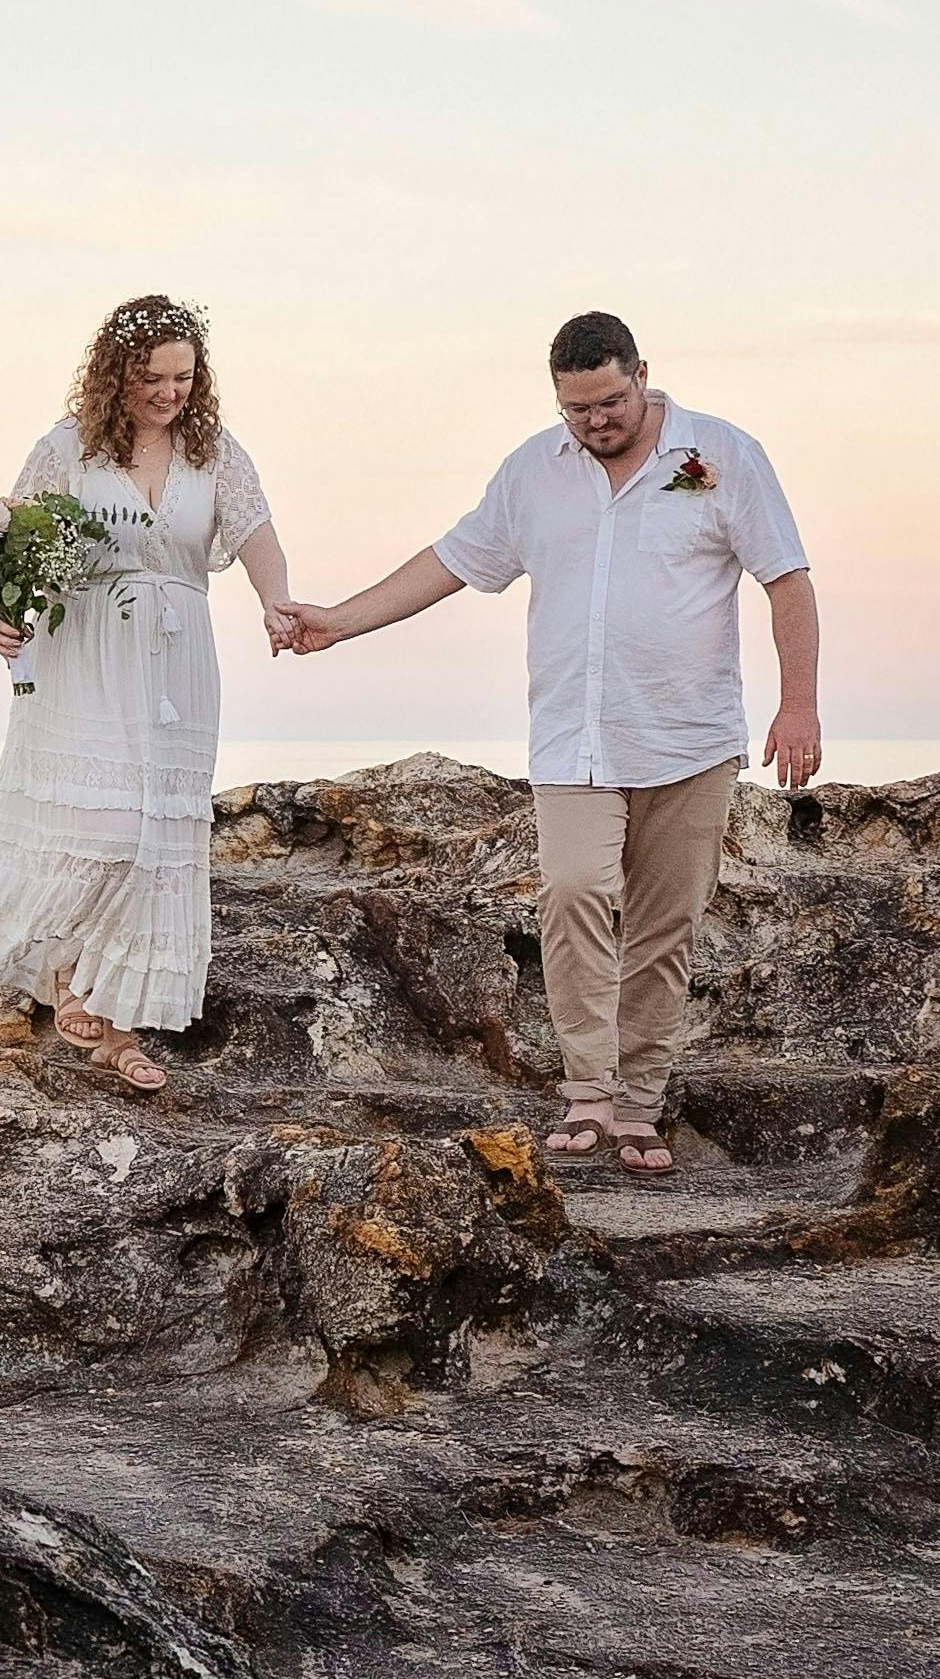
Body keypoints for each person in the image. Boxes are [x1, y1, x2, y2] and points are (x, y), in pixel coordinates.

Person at [282, 312, 817, 1176]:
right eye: (577, 408)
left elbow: (785, 578)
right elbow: (450, 561)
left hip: (689, 738)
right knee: (572, 892)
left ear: (642, 373)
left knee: (664, 926)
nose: (595, 420)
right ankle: (587, 1091)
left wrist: (798, 706)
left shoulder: (721, 455)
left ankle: (638, 1105)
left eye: (609, 401)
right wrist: (339, 621)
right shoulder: (533, 470)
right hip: (574, 738)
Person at [0, 293, 294, 1096]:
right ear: (116, 374)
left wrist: (275, 600)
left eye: (183, 376)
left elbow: (255, 531)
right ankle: (69, 979)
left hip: (176, 663)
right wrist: (2, 615)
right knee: (102, 825)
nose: (169, 392)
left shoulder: (214, 450)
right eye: (152, 377)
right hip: (81, 649)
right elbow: (13, 543)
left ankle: (118, 1030)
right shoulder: (66, 448)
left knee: (154, 836)